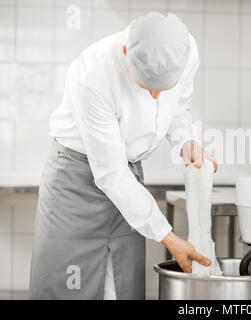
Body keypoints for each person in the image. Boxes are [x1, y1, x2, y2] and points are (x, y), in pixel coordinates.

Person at [29, 12, 217, 300]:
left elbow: (178, 106)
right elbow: (111, 173)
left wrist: (185, 141)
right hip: (75, 185)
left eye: (162, 88)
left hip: (128, 182)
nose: (155, 96)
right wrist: (168, 237)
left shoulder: (185, 53)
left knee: (121, 286)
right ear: (126, 52)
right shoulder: (93, 74)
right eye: (146, 87)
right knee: (69, 289)